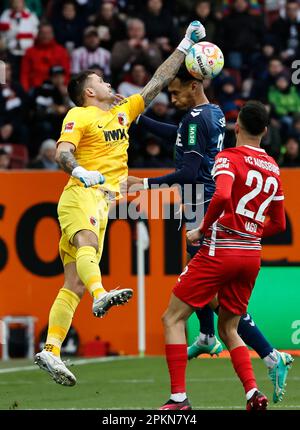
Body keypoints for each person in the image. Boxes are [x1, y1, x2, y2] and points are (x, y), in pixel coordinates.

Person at [34, 20, 206, 387]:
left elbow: (158, 81)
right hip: (82, 192)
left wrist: (183, 44)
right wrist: (80, 171)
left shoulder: (123, 111)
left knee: (72, 284)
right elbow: (64, 152)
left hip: (103, 200)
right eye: (100, 79)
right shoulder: (79, 115)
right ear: (88, 91)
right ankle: (101, 295)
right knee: (88, 249)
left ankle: (51, 348)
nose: (108, 82)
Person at [126, 68, 293, 405]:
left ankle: (200, 366)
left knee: (180, 309)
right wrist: (139, 121)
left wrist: (145, 185)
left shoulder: (227, 157)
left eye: (175, 93)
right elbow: (279, 224)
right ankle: (260, 365)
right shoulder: (218, 117)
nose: (172, 100)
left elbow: (205, 183)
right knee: (223, 316)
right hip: (248, 247)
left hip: (209, 218)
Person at [158, 101, 289, 410]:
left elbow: (222, 195)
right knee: (229, 327)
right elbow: (280, 224)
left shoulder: (227, 157)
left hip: (221, 249)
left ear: (236, 127)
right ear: (266, 131)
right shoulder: (273, 167)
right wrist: (251, 233)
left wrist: (202, 229)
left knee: (173, 318)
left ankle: (179, 399)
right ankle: (252, 393)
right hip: (251, 256)